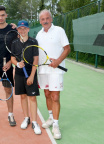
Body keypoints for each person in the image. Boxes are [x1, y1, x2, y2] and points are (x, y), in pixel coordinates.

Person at [36, 9, 71, 139]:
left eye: (47, 18)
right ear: (40, 21)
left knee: (55, 97)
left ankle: (56, 124)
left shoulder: (59, 31)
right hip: (43, 70)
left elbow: (67, 48)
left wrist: (58, 61)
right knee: (47, 94)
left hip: (56, 69)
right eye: (42, 19)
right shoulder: (38, 34)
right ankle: (50, 118)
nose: (45, 21)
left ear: (51, 19)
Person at [11, 20, 41, 135]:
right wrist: (17, 64)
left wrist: (32, 76)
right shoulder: (14, 43)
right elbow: (13, 58)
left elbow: (36, 59)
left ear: (28, 29)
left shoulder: (34, 41)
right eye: (20, 29)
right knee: (23, 97)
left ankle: (34, 122)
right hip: (19, 74)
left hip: (30, 74)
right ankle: (26, 118)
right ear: (18, 30)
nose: (22, 31)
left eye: (24, 28)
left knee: (32, 98)